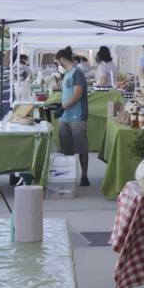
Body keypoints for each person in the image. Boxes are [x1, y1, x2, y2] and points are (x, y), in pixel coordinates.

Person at [56, 46, 91, 187]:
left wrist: (63, 107)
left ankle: (84, 176)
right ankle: (70, 174)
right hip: (65, 117)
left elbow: (77, 94)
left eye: (58, 62)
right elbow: (67, 93)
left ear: (63, 60)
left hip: (77, 115)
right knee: (67, 148)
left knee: (81, 147)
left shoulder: (77, 73)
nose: (58, 65)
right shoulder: (68, 73)